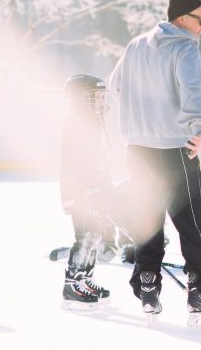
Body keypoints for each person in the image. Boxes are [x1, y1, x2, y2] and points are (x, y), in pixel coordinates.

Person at [108, 0, 201, 326]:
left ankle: (148, 288)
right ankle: (200, 295)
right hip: (177, 148)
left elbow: (115, 85)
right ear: (181, 18)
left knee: (148, 219)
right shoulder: (184, 47)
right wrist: (199, 129)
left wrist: (140, 119)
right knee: (192, 223)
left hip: (138, 150)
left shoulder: (136, 45)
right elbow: (192, 91)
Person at [58, 74, 116, 311]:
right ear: (80, 99)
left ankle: (85, 279)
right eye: (96, 97)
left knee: (95, 234)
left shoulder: (95, 122)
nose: (101, 101)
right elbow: (75, 164)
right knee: (86, 235)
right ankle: (72, 285)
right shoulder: (76, 124)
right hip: (81, 192)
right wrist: (87, 190)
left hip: (95, 190)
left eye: (102, 96)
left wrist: (104, 186)